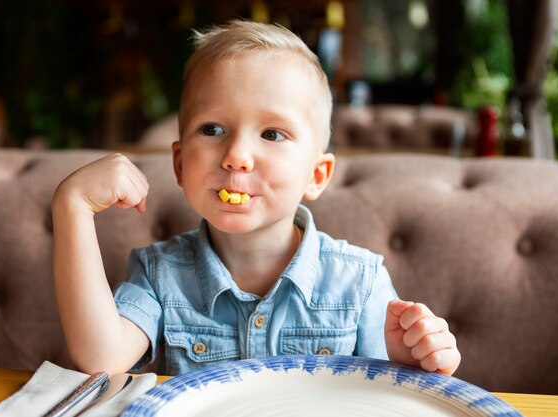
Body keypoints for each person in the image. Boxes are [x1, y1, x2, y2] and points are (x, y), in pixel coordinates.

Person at [52, 20, 461, 376]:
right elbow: (101, 358)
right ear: (179, 164)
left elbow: (390, 397)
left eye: (272, 134)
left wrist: (419, 360)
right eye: (212, 129)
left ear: (316, 176)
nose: (236, 157)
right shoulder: (159, 276)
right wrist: (72, 206)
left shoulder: (360, 285)